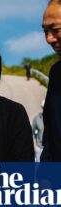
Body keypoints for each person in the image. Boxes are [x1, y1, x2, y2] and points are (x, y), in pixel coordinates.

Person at [40, 0, 61, 161]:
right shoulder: (56, 73)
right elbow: (50, 136)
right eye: (45, 31)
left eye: (55, 30)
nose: (49, 39)